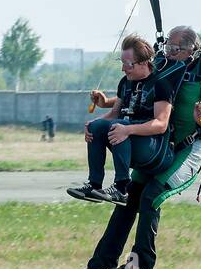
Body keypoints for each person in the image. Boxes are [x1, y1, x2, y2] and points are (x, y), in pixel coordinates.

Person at [70, 25, 201, 269]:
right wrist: (106, 102)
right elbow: (136, 96)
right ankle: (102, 264)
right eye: (167, 45)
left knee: (150, 198)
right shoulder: (162, 66)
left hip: (187, 149)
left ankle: (135, 268)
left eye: (174, 48)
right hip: (156, 144)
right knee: (128, 200)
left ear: (190, 49)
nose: (168, 51)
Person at [66, 35, 161, 204]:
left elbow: (161, 124)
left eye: (128, 64)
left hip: (152, 144)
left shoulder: (160, 84)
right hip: (127, 135)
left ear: (144, 62)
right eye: (122, 63)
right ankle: (94, 184)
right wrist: (93, 124)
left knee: (121, 125)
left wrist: (128, 129)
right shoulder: (125, 82)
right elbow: (113, 114)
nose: (123, 69)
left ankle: (121, 187)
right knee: (98, 126)